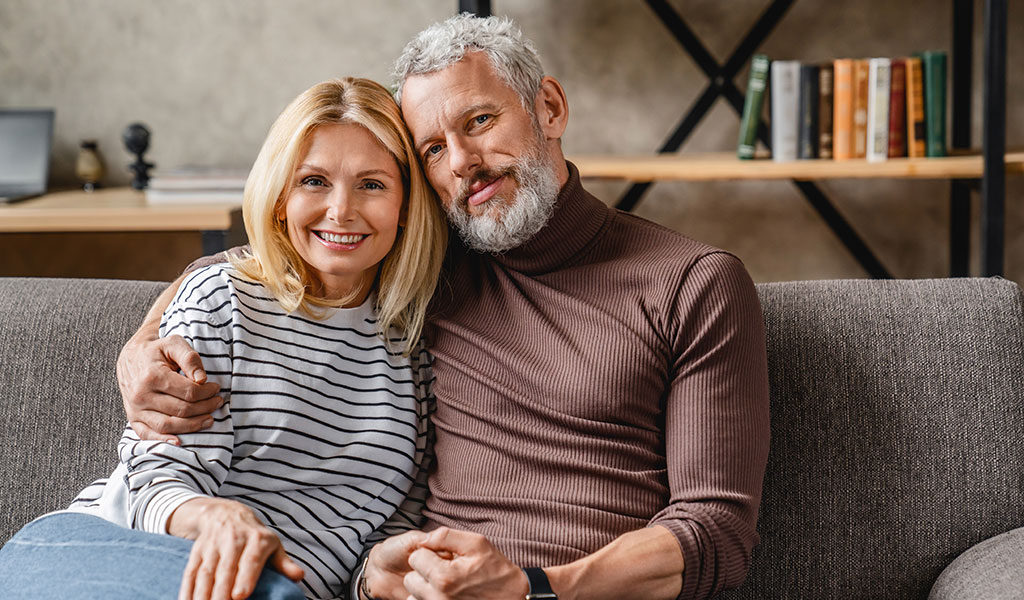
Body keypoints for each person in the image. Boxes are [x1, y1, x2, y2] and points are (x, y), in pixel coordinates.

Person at [118, 14, 771, 600]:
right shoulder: (427, 266)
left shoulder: (693, 283)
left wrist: (533, 589)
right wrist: (141, 347)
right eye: (432, 148)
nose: (463, 162)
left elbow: (715, 532)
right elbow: (260, 263)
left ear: (548, 106)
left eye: (479, 121)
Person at [0, 77, 446, 600]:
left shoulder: (417, 346)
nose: (341, 210)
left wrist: (375, 582)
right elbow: (159, 476)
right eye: (313, 181)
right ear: (280, 198)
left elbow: (386, 530)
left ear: (406, 207)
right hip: (113, 550)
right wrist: (214, 518)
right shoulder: (223, 298)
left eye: (372, 184)